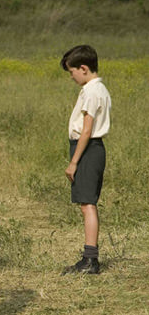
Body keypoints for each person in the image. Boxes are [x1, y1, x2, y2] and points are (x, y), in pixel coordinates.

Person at [60, 45, 111, 274]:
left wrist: (74, 162)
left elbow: (87, 130)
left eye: (72, 72)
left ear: (83, 68)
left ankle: (90, 259)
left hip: (88, 148)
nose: (71, 77)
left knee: (87, 204)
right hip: (89, 148)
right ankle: (89, 257)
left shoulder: (92, 91)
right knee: (86, 203)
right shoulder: (97, 89)